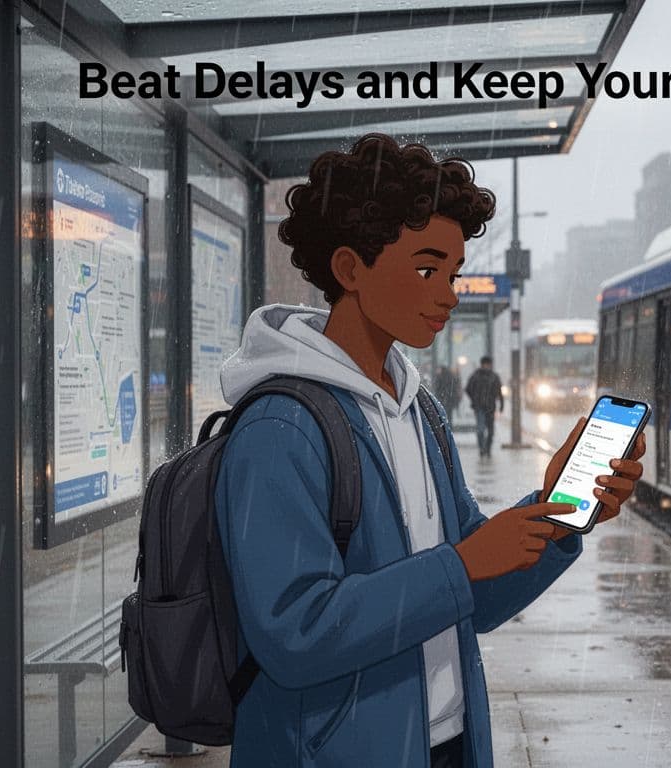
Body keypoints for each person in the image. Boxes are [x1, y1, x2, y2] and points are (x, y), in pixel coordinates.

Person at [214, 133, 645, 768]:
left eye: (453, 272)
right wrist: (463, 566)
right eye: (425, 268)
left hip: (444, 744)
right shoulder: (282, 428)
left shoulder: (421, 410)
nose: (448, 293)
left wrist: (555, 515)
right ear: (350, 270)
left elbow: (477, 591)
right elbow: (295, 634)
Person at [465, 356, 504, 456]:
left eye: (488, 364)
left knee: (491, 431)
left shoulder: (494, 377)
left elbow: (499, 392)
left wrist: (501, 405)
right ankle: (482, 448)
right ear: (482, 364)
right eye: (485, 364)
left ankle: (488, 448)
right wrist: (474, 399)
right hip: (479, 407)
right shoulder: (476, 376)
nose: (487, 366)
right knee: (480, 429)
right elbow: (468, 388)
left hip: (490, 407)